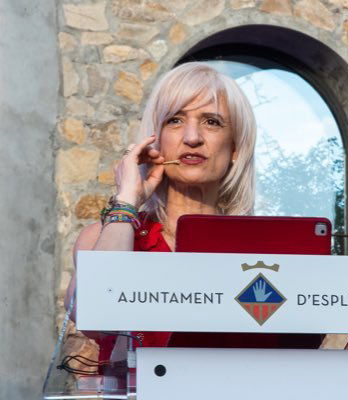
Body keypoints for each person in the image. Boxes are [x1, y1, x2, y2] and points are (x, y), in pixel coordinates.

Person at [65, 62, 319, 359]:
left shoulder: (268, 250)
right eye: (174, 120)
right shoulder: (102, 238)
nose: (192, 137)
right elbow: (93, 314)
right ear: (155, 140)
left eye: (211, 122)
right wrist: (125, 202)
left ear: (235, 147)